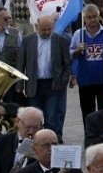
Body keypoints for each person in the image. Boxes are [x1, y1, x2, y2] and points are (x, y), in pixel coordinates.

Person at [19, 15, 72, 143]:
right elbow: (21, 64)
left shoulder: (61, 40)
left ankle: (51, 142)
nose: (47, 32)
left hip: (53, 84)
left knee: (51, 116)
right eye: (44, 30)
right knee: (33, 117)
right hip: (34, 84)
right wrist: (19, 86)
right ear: (37, 27)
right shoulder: (27, 40)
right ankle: (34, 142)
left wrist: (63, 81)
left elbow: (67, 63)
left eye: (50, 29)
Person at [69, 4, 103, 125]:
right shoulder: (78, 35)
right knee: (87, 114)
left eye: (95, 16)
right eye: (89, 17)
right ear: (84, 19)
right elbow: (70, 54)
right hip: (85, 81)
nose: (92, 20)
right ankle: (89, 138)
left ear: (99, 16)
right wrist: (77, 51)